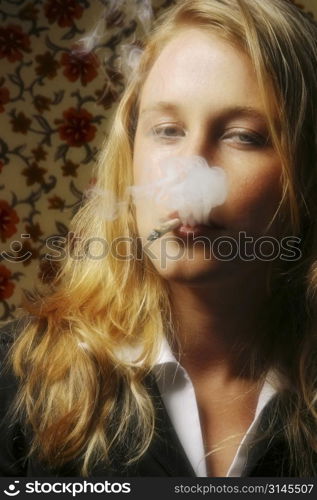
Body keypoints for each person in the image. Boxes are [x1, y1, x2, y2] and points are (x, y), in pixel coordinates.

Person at [1, 0, 317, 477]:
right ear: (130, 152)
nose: (188, 175)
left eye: (244, 136)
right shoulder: (19, 383)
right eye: (167, 131)